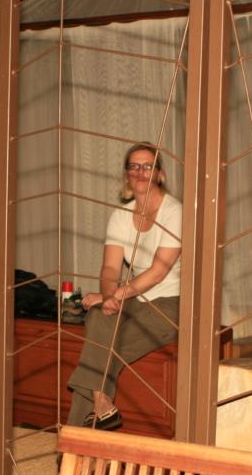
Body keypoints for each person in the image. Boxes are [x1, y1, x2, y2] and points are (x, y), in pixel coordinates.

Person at [67, 142, 182, 430]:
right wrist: (108, 296)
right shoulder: (120, 216)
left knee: (100, 357)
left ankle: (73, 444)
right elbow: (110, 268)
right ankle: (102, 407)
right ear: (126, 174)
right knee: (98, 316)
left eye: (147, 166)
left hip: (171, 302)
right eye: (134, 166)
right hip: (134, 297)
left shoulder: (175, 212)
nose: (140, 172)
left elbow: (158, 272)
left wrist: (115, 294)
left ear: (160, 174)